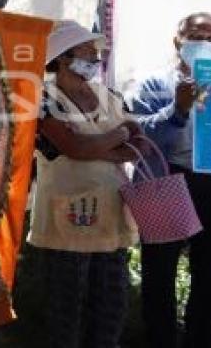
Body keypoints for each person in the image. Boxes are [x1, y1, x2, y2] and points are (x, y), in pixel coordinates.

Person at [126, 12, 211, 348]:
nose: (201, 41)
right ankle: (160, 339)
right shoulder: (152, 83)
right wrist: (177, 109)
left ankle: (200, 340)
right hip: (168, 181)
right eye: (193, 34)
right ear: (177, 41)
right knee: (159, 274)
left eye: (210, 36)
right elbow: (140, 136)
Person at [28, 20, 142, 348]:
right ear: (63, 56)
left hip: (112, 219)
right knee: (65, 313)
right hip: (66, 223)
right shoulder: (42, 97)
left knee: (110, 309)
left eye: (95, 51)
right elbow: (75, 149)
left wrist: (101, 146)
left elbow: (139, 142)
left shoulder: (110, 95)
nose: (95, 55)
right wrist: (117, 137)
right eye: (86, 50)